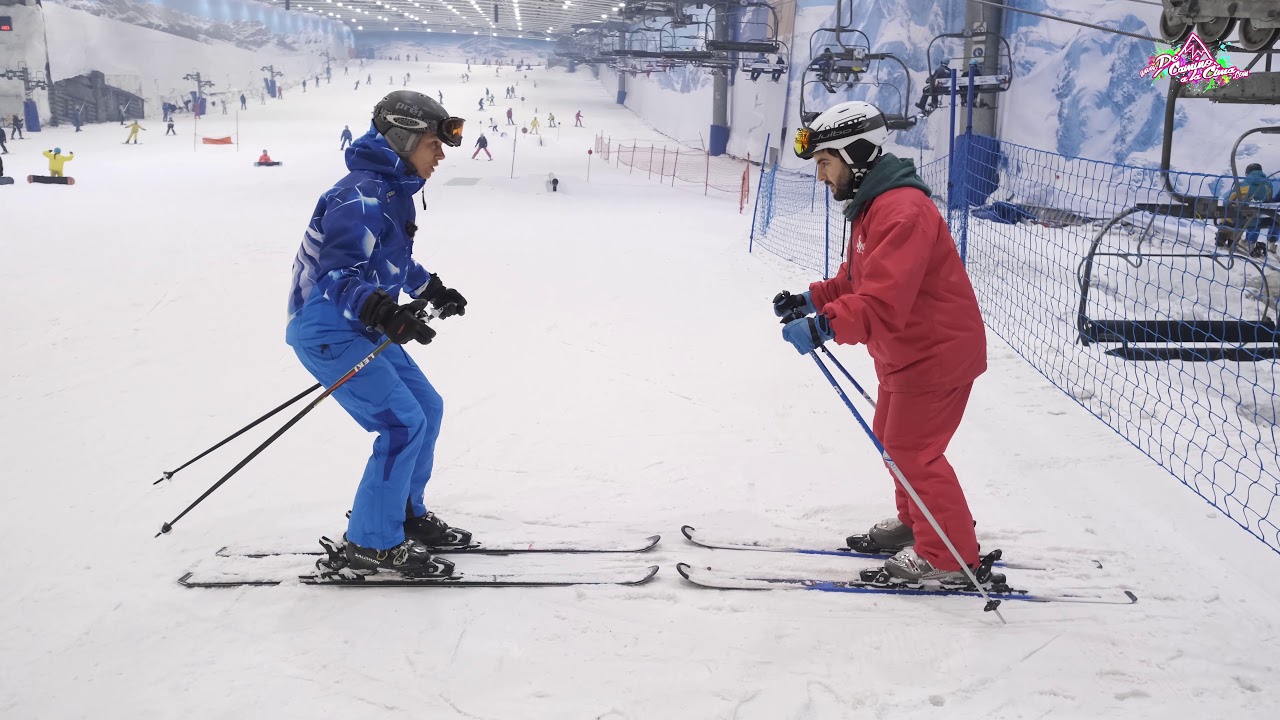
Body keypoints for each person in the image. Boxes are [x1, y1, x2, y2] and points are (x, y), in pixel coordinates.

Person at [777, 100, 986, 583]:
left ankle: (949, 554)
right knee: (894, 441)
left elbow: (882, 302)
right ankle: (920, 523)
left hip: (935, 355)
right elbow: (858, 280)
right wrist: (811, 300)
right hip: (906, 355)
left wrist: (826, 326)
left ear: (857, 155)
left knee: (915, 451)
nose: (822, 176)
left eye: (825, 163)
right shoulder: (873, 207)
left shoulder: (903, 212)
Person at [285, 90, 469, 575]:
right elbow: (335, 275)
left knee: (426, 408)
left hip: (357, 325)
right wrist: (383, 311)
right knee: (402, 423)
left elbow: (391, 259)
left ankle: (402, 514)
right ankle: (372, 541)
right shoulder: (361, 195)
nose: (441, 156)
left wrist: (431, 287)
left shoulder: (390, 192)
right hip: (327, 327)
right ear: (404, 139)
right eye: (434, 143)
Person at [1218, 162, 1274, 258]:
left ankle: (1223, 235)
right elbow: (1268, 201)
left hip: (1238, 218)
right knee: (1244, 217)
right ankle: (1233, 240)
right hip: (1255, 220)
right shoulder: (1268, 186)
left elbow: (1228, 199)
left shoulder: (1244, 183)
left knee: (1231, 212)